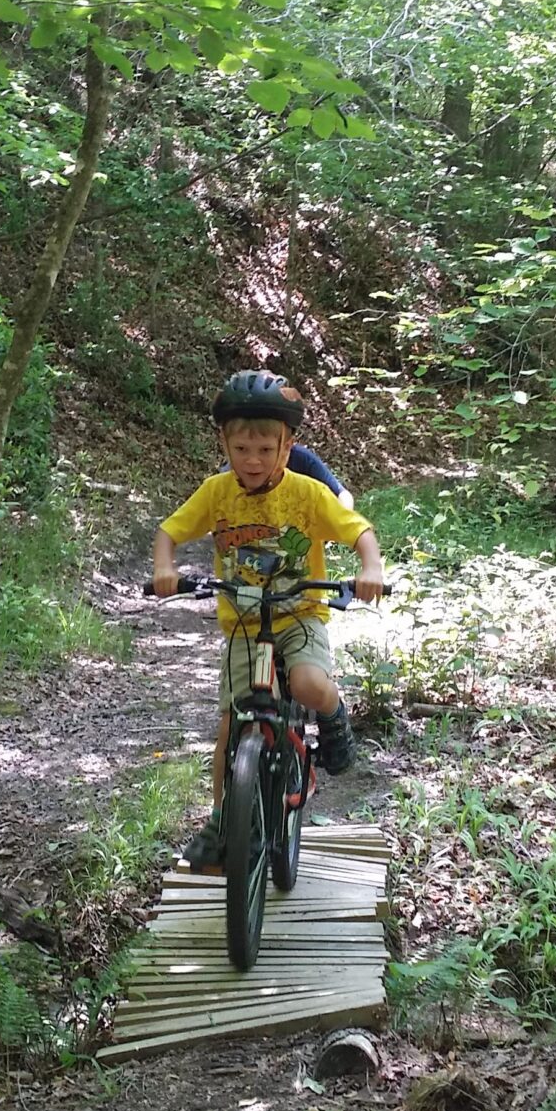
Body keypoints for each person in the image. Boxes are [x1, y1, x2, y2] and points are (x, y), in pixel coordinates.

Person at [152, 370, 386, 868]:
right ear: (225, 444)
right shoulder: (217, 493)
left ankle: (333, 716)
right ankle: (222, 819)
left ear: (287, 447)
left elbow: (358, 531)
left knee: (306, 683)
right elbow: (170, 531)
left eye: (264, 449)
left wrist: (370, 568)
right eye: (241, 449)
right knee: (230, 727)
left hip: (298, 614)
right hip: (242, 623)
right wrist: (165, 568)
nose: (252, 460)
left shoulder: (306, 493)